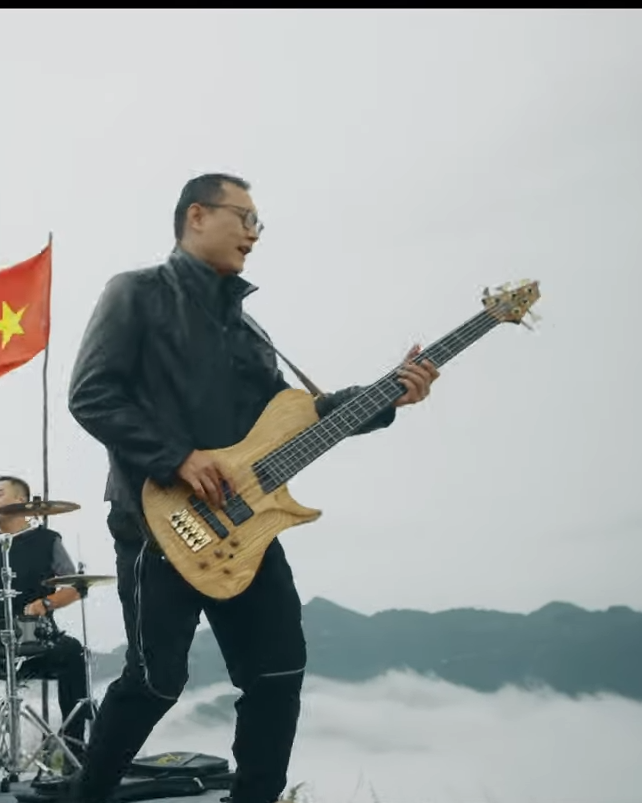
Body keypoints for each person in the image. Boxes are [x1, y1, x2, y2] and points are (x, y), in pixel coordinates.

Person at [62, 174, 440, 803]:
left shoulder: (250, 331)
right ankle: (87, 795)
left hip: (246, 528)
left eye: (258, 223)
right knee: (155, 682)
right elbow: (90, 394)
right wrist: (176, 458)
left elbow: (299, 418)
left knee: (278, 671)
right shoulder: (135, 293)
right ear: (197, 215)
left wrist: (389, 394)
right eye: (245, 218)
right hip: (156, 523)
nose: (254, 234)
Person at [0, 475, 93, 749]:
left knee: (73, 654)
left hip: (35, 639)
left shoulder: (46, 540)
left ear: (20, 500)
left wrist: (45, 604)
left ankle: (74, 745)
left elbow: (76, 586)